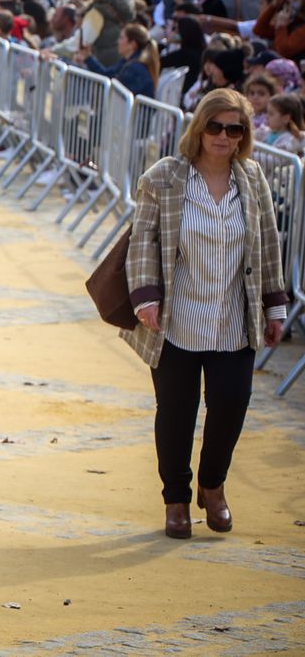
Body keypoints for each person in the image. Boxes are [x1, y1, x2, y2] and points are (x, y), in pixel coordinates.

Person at [122, 88, 287, 540]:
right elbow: (143, 243)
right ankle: (176, 499)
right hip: (177, 319)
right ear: (200, 127)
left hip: (234, 319)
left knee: (231, 407)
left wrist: (275, 308)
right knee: (176, 411)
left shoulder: (253, 179)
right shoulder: (165, 177)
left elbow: (269, 246)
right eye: (215, 126)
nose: (223, 136)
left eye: (234, 129)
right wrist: (147, 299)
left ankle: (213, 486)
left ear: (243, 136)